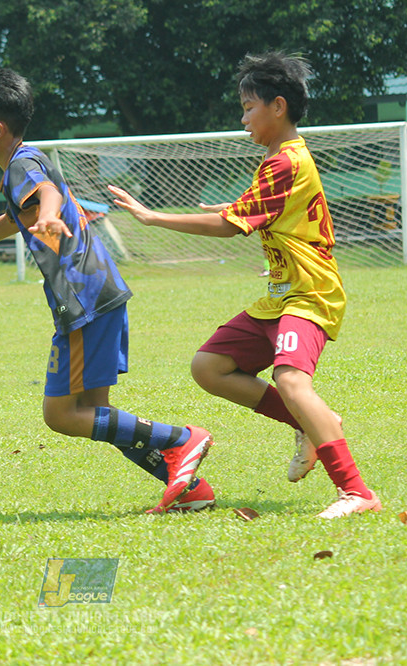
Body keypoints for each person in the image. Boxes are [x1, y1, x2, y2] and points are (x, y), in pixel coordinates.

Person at [0, 68, 214, 514]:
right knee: (97, 414)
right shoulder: (24, 161)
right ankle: (189, 488)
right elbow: (20, 213)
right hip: (101, 293)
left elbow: (47, 195)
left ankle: (180, 439)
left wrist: (51, 217)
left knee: (61, 415)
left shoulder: (23, 165)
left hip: (83, 301)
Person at [108, 52, 380, 519]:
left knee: (291, 380)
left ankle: (357, 493)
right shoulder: (279, 160)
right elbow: (253, 212)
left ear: (278, 106)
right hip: (281, 294)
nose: (243, 117)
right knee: (209, 366)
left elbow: (232, 225)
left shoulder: (285, 163)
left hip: (309, 294)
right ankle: (313, 423)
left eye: (249, 106)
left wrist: (153, 217)